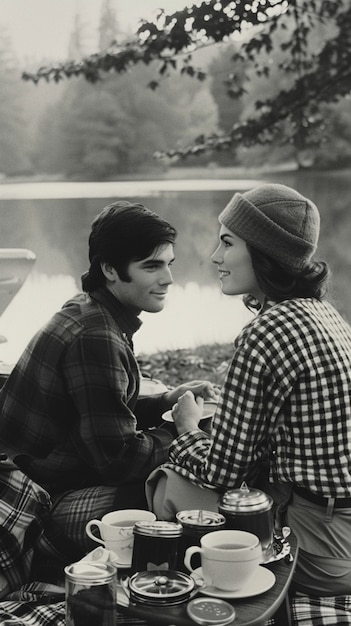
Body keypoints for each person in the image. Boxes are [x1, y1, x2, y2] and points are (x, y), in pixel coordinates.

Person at [146, 183, 351, 597]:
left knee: (168, 484)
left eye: (227, 242)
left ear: (264, 251)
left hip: (316, 548)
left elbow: (225, 474)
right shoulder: (325, 312)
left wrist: (187, 430)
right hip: (338, 527)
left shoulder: (265, 332)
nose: (215, 257)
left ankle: (193, 593)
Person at [0, 200, 216, 554]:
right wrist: (182, 430)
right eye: (152, 266)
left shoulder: (89, 309)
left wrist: (167, 400)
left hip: (46, 475)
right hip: (36, 504)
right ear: (110, 269)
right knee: (177, 489)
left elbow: (101, 411)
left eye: (169, 264)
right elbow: (119, 461)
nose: (168, 278)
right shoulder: (95, 336)